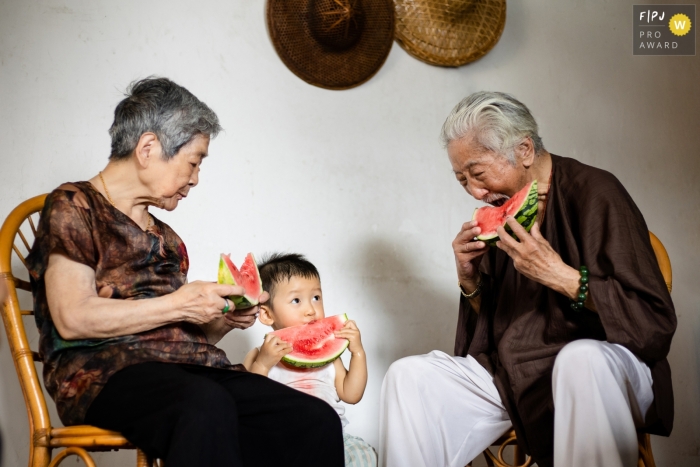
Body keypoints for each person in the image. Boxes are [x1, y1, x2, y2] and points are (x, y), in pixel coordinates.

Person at [25, 77, 344, 466]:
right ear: (148, 148)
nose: (195, 179)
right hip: (105, 377)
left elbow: (178, 333)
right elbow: (72, 317)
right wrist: (179, 303)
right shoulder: (74, 206)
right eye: (193, 162)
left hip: (192, 372)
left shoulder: (167, 238)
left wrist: (223, 320)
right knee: (204, 405)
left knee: (313, 419)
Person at [379, 92, 676, 467]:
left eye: (478, 173)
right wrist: (470, 281)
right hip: (518, 370)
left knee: (580, 359)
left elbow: (654, 320)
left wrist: (564, 277)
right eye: (462, 180)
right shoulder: (510, 211)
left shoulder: (598, 193)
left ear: (523, 150)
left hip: (607, 367)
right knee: (410, 377)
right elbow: (494, 330)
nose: (475, 192)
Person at [243, 253, 378, 467]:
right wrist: (263, 364)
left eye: (316, 297)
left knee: (364, 455)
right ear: (268, 315)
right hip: (283, 438)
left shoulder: (330, 359)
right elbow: (249, 399)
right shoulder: (258, 355)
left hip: (333, 437)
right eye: (296, 300)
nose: (311, 310)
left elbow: (352, 395)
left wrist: (357, 353)